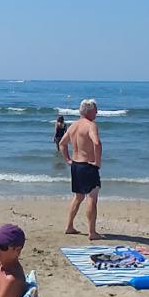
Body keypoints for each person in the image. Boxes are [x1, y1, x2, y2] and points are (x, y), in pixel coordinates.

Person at [60, 99, 103, 240]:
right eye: (95, 109)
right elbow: (96, 143)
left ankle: (69, 226)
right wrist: (97, 162)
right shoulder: (91, 125)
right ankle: (92, 232)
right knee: (92, 197)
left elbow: (62, 143)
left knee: (78, 197)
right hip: (88, 165)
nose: (97, 112)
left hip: (76, 165)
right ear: (89, 111)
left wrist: (68, 160)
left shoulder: (73, 126)